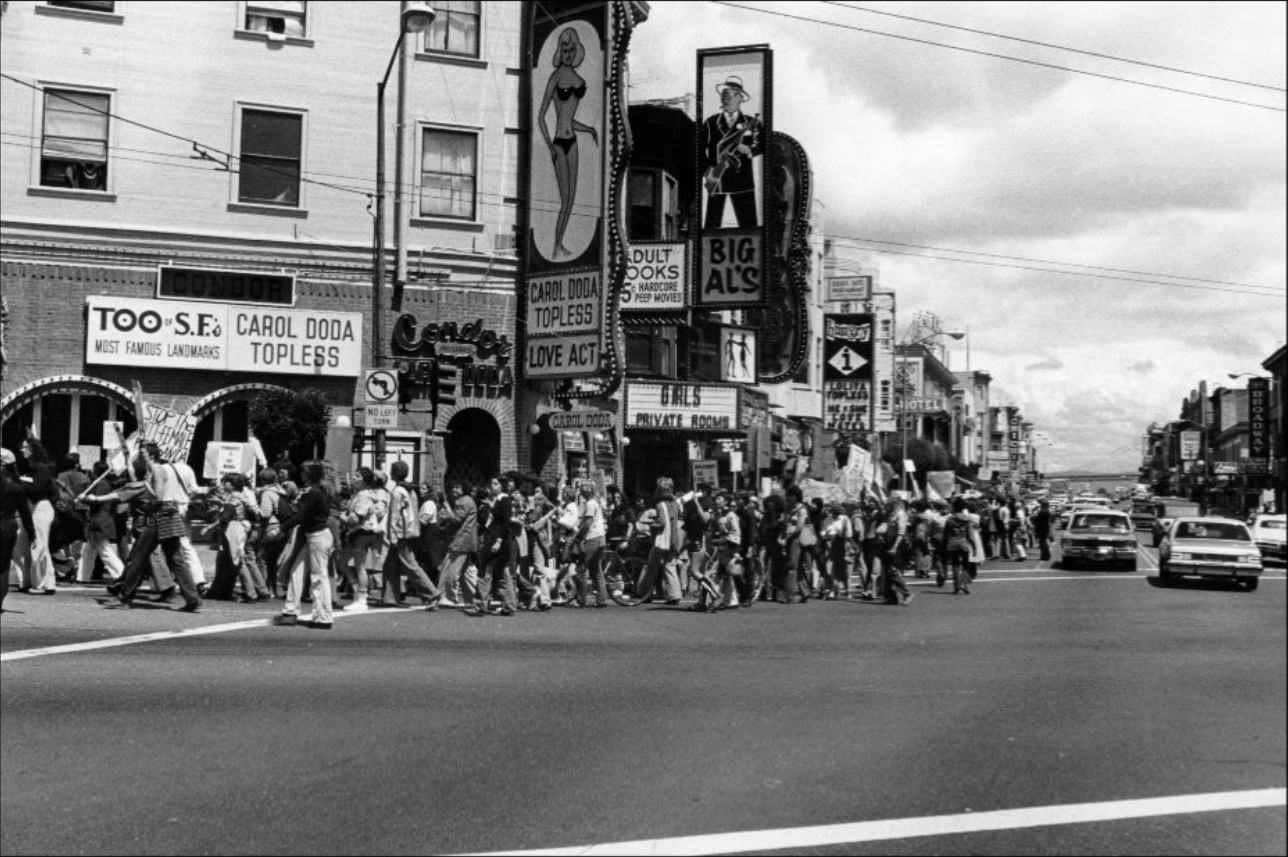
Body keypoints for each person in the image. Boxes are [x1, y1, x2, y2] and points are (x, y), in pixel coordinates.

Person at [84, 454, 201, 612]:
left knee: (138, 558)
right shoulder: (169, 470)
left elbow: (152, 496)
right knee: (176, 559)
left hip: (159, 516)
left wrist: (96, 499)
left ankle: (125, 598)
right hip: (171, 513)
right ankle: (193, 599)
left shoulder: (155, 473)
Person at [538, 26, 598, 260]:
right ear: (559, 50)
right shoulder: (554, 77)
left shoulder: (579, 79)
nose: (568, 53)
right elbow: (541, 116)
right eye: (564, 49)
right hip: (558, 144)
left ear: (577, 51)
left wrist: (589, 129)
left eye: (571, 49)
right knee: (564, 200)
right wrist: (549, 146)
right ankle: (556, 244)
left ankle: (559, 243)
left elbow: (569, 119)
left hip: (572, 141)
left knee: (571, 199)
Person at [271, 461, 335, 629]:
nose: (301, 474)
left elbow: (301, 515)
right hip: (312, 535)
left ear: (310, 474)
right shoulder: (315, 491)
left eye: (304, 472)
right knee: (296, 571)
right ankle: (290, 611)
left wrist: (280, 528)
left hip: (317, 536)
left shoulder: (314, 492)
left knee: (318, 576)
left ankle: (324, 617)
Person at [701, 74, 763, 229]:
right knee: (711, 228)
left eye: (734, 94)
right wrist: (706, 171)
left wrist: (749, 149)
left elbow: (763, 144)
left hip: (742, 180)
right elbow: (698, 150)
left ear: (741, 98)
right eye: (726, 94)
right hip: (717, 178)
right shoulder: (710, 123)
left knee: (749, 227)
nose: (729, 98)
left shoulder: (753, 123)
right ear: (721, 98)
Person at [379, 460, 442, 610]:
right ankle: (389, 597)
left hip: (400, 535)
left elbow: (395, 516)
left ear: (395, 473)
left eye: (392, 471)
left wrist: (393, 536)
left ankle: (432, 593)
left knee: (410, 565)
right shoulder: (411, 490)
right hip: (410, 533)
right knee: (390, 565)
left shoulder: (397, 492)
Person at [14, 435, 58, 594]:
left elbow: (38, 490)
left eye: (26, 447)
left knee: (39, 545)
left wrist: (20, 483)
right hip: (29, 508)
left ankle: (45, 584)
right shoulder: (27, 467)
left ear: (33, 449)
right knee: (20, 547)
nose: (22, 450)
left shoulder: (41, 468)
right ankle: (25, 580)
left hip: (41, 507)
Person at [341, 467, 388, 612]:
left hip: (362, 532)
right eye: (354, 475)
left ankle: (361, 599)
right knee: (343, 562)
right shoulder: (360, 494)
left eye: (357, 476)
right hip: (358, 532)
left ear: (365, 480)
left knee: (360, 566)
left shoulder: (364, 495)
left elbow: (355, 518)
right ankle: (358, 592)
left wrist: (342, 517)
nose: (354, 478)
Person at [633, 477, 684, 605]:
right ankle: (674, 595)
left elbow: (662, 522)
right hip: (673, 538)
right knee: (670, 565)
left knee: (651, 566)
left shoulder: (660, 505)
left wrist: (649, 523)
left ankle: (645, 593)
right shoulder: (675, 504)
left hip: (662, 540)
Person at [473, 477, 517, 616]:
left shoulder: (505, 500)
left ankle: (486, 603)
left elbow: (505, 523)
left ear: (502, 486)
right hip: (491, 538)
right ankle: (505, 604)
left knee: (493, 571)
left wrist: (499, 540)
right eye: (491, 483)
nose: (492, 486)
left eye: (496, 484)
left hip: (499, 541)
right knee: (496, 572)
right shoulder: (497, 500)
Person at [75, 460, 124, 584]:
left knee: (104, 550)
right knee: (88, 551)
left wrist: (84, 499)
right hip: (98, 519)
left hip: (100, 520)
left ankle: (121, 573)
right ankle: (82, 576)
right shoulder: (102, 483)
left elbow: (97, 501)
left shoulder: (102, 484)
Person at [1, 448, 37, 610]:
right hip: (8, 525)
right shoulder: (17, 487)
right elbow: (25, 513)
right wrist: (32, 532)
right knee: (3, 565)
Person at [437, 482, 477, 610]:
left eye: (458, 487)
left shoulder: (463, 501)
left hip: (461, 540)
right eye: (453, 487)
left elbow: (456, 519)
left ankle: (449, 597)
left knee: (450, 569)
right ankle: (471, 598)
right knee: (466, 573)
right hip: (466, 540)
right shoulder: (468, 500)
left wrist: (447, 511)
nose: (454, 490)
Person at [573, 482, 608, 608]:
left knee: (581, 569)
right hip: (600, 537)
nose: (581, 492)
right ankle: (602, 599)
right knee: (596, 570)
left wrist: (579, 536)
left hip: (592, 538)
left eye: (582, 490)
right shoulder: (595, 502)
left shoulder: (590, 504)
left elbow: (588, 523)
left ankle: (581, 599)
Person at [781, 486, 815, 604]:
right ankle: (805, 592)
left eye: (791, 496)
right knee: (797, 567)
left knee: (791, 567)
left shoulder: (802, 509)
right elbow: (785, 523)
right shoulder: (789, 509)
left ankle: (788, 595)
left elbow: (800, 527)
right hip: (790, 539)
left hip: (796, 540)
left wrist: (789, 535)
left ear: (796, 496)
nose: (789, 498)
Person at [882, 494, 914, 607]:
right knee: (888, 570)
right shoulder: (892, 513)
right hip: (889, 541)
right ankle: (892, 596)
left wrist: (894, 547)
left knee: (893, 570)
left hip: (898, 543)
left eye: (890, 502)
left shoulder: (901, 514)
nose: (888, 503)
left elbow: (901, 532)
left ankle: (907, 593)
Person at [943, 498, 974, 595]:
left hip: (952, 543)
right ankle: (965, 584)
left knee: (955, 565)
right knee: (965, 565)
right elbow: (970, 535)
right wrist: (974, 546)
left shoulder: (949, 519)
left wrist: (944, 545)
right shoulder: (967, 519)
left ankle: (956, 586)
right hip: (964, 542)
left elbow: (945, 534)